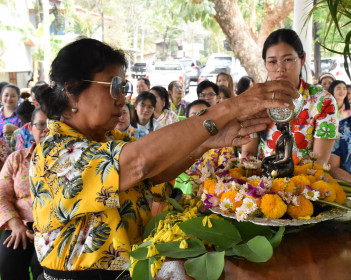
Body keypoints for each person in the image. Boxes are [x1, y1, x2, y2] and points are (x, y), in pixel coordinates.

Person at [30, 37, 297, 279]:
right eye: (114, 86)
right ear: (71, 89)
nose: (123, 98)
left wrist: (204, 143)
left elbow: (154, 173)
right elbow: (138, 164)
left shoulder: (111, 140)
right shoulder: (57, 152)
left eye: (124, 87)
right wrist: (231, 107)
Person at [242, 29, 339, 166]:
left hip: (307, 183)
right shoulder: (256, 100)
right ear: (265, 63)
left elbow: (318, 160)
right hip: (262, 182)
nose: (280, 68)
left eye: (287, 59)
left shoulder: (323, 101)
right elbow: (248, 152)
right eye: (272, 62)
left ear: (302, 58)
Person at [0, 108, 47, 280]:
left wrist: (45, 232)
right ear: (30, 128)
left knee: (41, 267)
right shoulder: (17, 158)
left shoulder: (65, 162)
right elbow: (1, 195)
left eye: (51, 125)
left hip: (51, 229)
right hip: (18, 225)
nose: (46, 130)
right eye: (41, 124)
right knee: (8, 263)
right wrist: (16, 224)